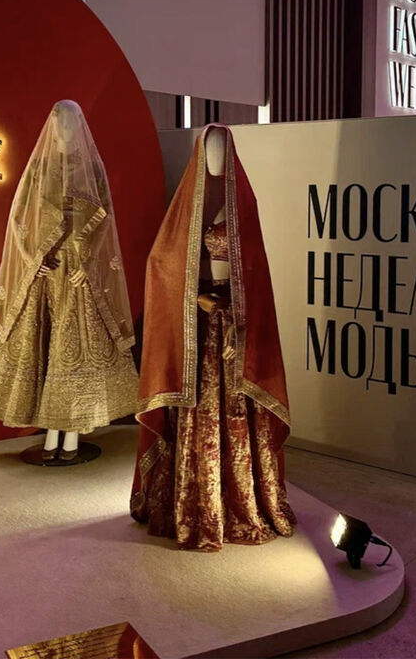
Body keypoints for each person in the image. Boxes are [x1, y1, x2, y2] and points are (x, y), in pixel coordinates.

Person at [131, 124, 295, 551]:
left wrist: (235, 310)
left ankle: (241, 499)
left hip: (233, 329)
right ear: (199, 154)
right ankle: (193, 503)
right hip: (197, 329)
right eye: (210, 148)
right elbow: (161, 264)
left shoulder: (243, 205)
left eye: (223, 147)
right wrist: (192, 299)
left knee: (235, 408)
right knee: (198, 407)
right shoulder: (186, 207)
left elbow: (255, 273)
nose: (217, 157)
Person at [0, 101, 138, 456]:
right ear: (53, 126)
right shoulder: (39, 168)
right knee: (42, 346)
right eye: (61, 124)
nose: (66, 130)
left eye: (72, 124)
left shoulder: (92, 168)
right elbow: (19, 218)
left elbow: (104, 219)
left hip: (77, 272)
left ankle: (72, 431)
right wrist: (32, 259)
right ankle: (50, 431)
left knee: (73, 350)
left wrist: (88, 264)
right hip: (47, 269)